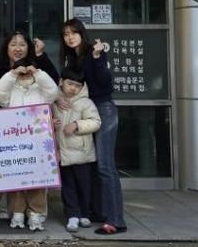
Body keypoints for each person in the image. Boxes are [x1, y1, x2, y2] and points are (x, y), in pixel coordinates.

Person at [59, 18, 127, 235]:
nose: (70, 37)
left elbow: (105, 81)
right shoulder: (71, 58)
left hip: (103, 109)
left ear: (82, 33)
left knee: (105, 166)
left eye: (74, 32)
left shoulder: (93, 52)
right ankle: (99, 211)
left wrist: (97, 58)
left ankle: (116, 220)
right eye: (66, 34)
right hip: (83, 110)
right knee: (93, 164)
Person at [0, 33, 59, 231]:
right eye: (22, 73)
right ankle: (17, 212)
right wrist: (12, 74)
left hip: (39, 142)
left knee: (38, 179)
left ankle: (36, 214)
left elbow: (53, 91)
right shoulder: (11, 89)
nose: (25, 75)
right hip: (16, 142)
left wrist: (38, 73)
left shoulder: (40, 88)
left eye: (27, 72)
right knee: (17, 179)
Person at [52, 68, 101, 233]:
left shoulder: (86, 102)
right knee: (68, 187)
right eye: (70, 84)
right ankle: (72, 215)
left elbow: (96, 122)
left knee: (84, 186)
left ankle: (84, 213)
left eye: (78, 85)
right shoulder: (54, 101)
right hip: (63, 153)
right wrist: (51, 123)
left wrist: (77, 125)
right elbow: (42, 119)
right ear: (61, 82)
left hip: (82, 154)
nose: (73, 88)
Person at [0, 29, 59, 109]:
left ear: (28, 47)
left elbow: (53, 84)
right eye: (13, 45)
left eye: (22, 45)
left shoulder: (35, 66)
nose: (18, 49)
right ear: (6, 48)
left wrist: (39, 55)